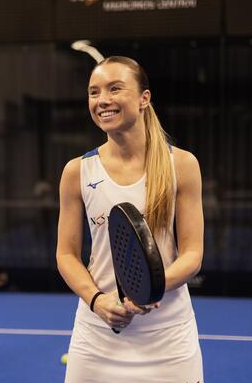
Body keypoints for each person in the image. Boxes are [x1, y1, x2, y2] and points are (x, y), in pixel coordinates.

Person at [56, 56, 204, 382]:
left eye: (115, 89)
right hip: (96, 337)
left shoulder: (182, 165)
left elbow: (192, 254)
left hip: (168, 338)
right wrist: (97, 301)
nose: (102, 100)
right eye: (94, 92)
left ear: (143, 98)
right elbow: (66, 255)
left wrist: (147, 290)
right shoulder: (76, 171)